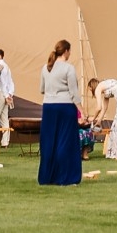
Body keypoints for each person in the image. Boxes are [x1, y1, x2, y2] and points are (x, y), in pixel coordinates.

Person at [38, 39, 82, 186]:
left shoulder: (45, 68)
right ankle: (66, 177)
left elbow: (42, 89)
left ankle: (47, 177)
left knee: (49, 142)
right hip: (65, 107)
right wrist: (82, 111)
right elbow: (74, 93)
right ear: (66, 52)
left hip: (49, 107)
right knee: (65, 142)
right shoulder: (68, 68)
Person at [0, 49, 15, 147]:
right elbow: (10, 82)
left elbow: (2, 82)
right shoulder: (7, 66)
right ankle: (5, 142)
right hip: (6, 93)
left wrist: (6, 96)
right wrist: (10, 94)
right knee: (4, 118)